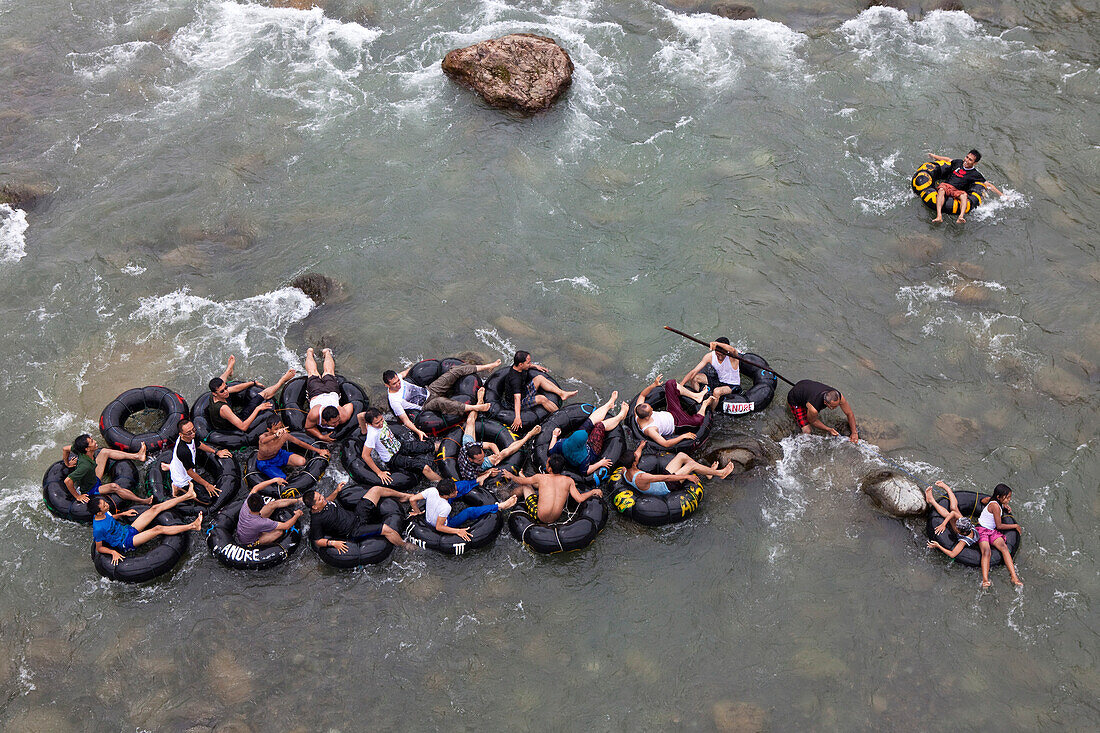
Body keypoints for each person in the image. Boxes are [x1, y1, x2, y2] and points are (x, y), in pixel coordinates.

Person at [383, 358, 500, 440]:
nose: (398, 384)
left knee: (454, 371)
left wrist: (414, 366)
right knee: (441, 402)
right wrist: (418, 432)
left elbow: (404, 373)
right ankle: (475, 407)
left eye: (398, 381)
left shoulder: (397, 377)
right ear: (387, 385)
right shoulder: (394, 401)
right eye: (394, 384)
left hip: (429, 390)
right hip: (425, 404)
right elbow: (405, 421)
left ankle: (488, 366)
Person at [90, 491, 202, 566]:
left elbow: (110, 519)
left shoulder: (104, 514)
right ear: (99, 512)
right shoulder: (98, 529)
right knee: (158, 529)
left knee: (155, 508)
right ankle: (193, 526)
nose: (107, 505)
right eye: (104, 506)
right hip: (126, 542)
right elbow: (99, 548)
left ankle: (188, 495)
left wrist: (123, 513)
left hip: (128, 530)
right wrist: (112, 552)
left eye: (105, 503)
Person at [455, 388, 541, 482]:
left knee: (470, 421)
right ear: (471, 460)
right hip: (476, 470)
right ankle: (529, 435)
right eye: (480, 460)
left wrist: (498, 456)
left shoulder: (469, 446)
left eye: (483, 456)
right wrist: (488, 472)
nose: (483, 460)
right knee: (506, 452)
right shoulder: (469, 472)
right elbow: (477, 476)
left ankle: (479, 401)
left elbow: (491, 445)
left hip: (470, 448)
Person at [303, 483, 417, 553]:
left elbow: (329, 500)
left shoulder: (323, 503)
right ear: (314, 506)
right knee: (386, 529)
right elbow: (317, 541)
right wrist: (332, 543)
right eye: (319, 499)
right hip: (354, 531)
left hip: (357, 516)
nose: (322, 498)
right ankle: (405, 546)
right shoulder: (316, 520)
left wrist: (336, 491)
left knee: (376, 489)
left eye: (320, 495)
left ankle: (404, 496)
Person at [547, 391, 629, 479]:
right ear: (585, 442)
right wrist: (600, 463)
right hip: (592, 450)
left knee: (589, 423)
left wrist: (554, 436)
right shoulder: (583, 458)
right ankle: (620, 416)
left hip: (576, 444)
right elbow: (586, 471)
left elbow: (550, 450)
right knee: (599, 426)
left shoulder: (561, 443)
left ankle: (609, 404)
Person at [407, 477, 517, 542]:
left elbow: (412, 499)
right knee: (469, 511)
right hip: (445, 524)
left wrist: (417, 512)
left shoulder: (432, 490)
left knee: (459, 486)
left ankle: (477, 480)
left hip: (431, 517)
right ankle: (500, 506)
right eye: (453, 492)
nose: (456, 493)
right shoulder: (445, 507)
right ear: (446, 495)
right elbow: (439, 527)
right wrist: (458, 531)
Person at [206, 354, 294, 434]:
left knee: (224, 380)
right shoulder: (223, 409)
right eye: (222, 391)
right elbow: (243, 427)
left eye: (225, 388)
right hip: (231, 426)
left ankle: (229, 370)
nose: (225, 391)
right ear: (214, 393)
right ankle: (282, 381)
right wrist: (258, 409)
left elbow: (233, 387)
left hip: (224, 416)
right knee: (263, 394)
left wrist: (253, 383)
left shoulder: (217, 393)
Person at [502, 455, 602, 524]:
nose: (546, 464)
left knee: (526, 487)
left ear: (549, 469)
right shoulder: (569, 481)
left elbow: (522, 482)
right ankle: (521, 478)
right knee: (536, 485)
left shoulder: (541, 477)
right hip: (555, 519)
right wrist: (593, 491)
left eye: (547, 463)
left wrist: (511, 476)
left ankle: (507, 495)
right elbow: (579, 499)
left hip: (539, 516)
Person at [61, 434, 150, 506]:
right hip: (91, 489)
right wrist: (77, 496)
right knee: (114, 487)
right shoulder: (85, 466)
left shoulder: (78, 449)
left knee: (104, 452)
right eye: (92, 441)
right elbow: (67, 481)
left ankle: (137, 456)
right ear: (87, 449)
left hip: (93, 476)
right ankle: (142, 501)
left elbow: (65, 449)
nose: (95, 441)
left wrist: (67, 463)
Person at [358, 407, 441, 484]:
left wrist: (363, 431)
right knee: (425, 468)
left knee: (431, 445)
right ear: (370, 424)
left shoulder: (376, 420)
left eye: (381, 420)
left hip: (399, 445)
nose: (381, 423)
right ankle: (444, 485)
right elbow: (365, 455)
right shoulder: (372, 435)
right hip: (393, 458)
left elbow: (360, 415)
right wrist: (379, 472)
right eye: (377, 423)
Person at [620, 440, 734, 495]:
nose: (637, 456)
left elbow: (637, 455)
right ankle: (720, 473)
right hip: (666, 486)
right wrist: (687, 476)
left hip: (660, 481)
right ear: (634, 463)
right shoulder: (642, 477)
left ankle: (708, 473)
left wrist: (640, 446)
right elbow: (665, 479)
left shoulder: (624, 470)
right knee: (691, 465)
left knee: (681, 456)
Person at [502, 351, 578, 432]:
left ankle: (562, 394)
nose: (530, 364)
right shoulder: (515, 379)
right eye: (528, 363)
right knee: (542, 399)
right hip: (517, 402)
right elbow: (517, 398)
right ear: (521, 364)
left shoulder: (519, 367)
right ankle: (563, 417)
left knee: (539, 378)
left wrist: (535, 366)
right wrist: (517, 417)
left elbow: (528, 367)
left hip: (523, 391)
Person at [633, 374, 714, 450]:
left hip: (672, 412)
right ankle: (705, 404)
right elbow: (665, 444)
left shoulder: (637, 410)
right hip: (677, 424)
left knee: (670, 383)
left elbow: (642, 395)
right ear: (647, 417)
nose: (652, 410)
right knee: (698, 421)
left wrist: (654, 385)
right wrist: (683, 436)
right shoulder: (650, 430)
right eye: (651, 411)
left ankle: (696, 396)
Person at [928, 150, 1004, 224]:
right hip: (946, 186)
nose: (966, 160)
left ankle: (961, 217)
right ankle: (939, 216)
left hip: (957, 190)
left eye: (970, 160)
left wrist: (1002, 195)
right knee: (941, 189)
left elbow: (988, 185)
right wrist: (934, 156)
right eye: (966, 157)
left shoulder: (975, 174)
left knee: (964, 196)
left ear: (975, 163)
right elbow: (948, 159)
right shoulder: (958, 163)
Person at [299, 347, 356, 442]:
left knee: (329, 372)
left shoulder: (342, 416)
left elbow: (350, 405)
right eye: (334, 423)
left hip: (331, 391)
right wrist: (321, 437)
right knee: (312, 372)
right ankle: (310, 352)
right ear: (325, 421)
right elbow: (308, 427)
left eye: (337, 420)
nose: (338, 423)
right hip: (316, 392)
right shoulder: (314, 414)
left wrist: (341, 409)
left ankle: (326, 352)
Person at [165, 419, 232, 497]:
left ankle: (170, 467)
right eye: (189, 433)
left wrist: (216, 452)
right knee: (207, 501)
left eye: (193, 429)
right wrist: (207, 485)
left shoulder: (190, 436)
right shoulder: (183, 451)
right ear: (181, 434)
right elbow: (190, 473)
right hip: (183, 479)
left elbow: (199, 444)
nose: (193, 433)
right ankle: (176, 487)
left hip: (181, 466)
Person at [976, 483, 1023, 588]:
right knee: (986, 551)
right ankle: (985, 580)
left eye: (1009, 497)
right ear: (998, 497)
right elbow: (999, 526)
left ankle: (1014, 576)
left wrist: (1004, 504)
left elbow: (982, 501)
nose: (1009, 500)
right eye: (1006, 498)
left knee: (1004, 548)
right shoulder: (995, 506)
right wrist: (1014, 525)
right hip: (981, 529)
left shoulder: (993, 501)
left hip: (991, 531)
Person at [254, 416, 331, 480]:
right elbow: (263, 441)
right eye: (276, 429)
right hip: (265, 462)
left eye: (281, 427)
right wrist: (275, 435)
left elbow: (299, 443)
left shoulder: (284, 435)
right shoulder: (263, 437)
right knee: (283, 478)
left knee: (302, 461)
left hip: (279, 455)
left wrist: (319, 450)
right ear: (269, 430)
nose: (280, 430)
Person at [786, 379, 859, 444]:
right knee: (807, 431)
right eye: (833, 406)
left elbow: (849, 413)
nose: (836, 407)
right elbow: (812, 421)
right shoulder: (814, 408)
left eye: (838, 404)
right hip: (795, 399)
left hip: (805, 385)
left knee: (811, 411)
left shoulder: (839, 396)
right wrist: (828, 429)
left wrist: (854, 432)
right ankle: (793, 443)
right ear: (825, 403)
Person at [925, 480, 981, 559]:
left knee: (948, 515)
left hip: (966, 537)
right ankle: (948, 489)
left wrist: (938, 546)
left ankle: (931, 500)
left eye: (958, 527)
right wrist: (943, 524)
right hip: (967, 529)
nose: (956, 524)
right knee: (953, 508)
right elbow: (954, 513)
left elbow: (952, 554)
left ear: (962, 532)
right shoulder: (965, 522)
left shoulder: (963, 541)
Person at [236, 479, 301, 546]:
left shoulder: (246, 503)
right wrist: (297, 515)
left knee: (272, 504)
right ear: (262, 506)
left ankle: (297, 500)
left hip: (246, 529)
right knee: (279, 532)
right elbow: (286, 526)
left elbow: (256, 488)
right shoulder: (262, 522)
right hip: (249, 541)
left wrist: (275, 480)